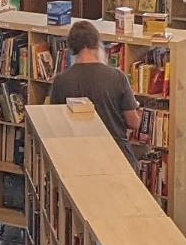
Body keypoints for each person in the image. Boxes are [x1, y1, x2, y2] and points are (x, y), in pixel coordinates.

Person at [45, 19, 144, 157]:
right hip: (117, 155)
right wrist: (139, 109)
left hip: (78, 155)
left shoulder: (61, 81)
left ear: (72, 49)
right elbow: (133, 123)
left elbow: (55, 122)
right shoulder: (117, 77)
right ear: (97, 44)